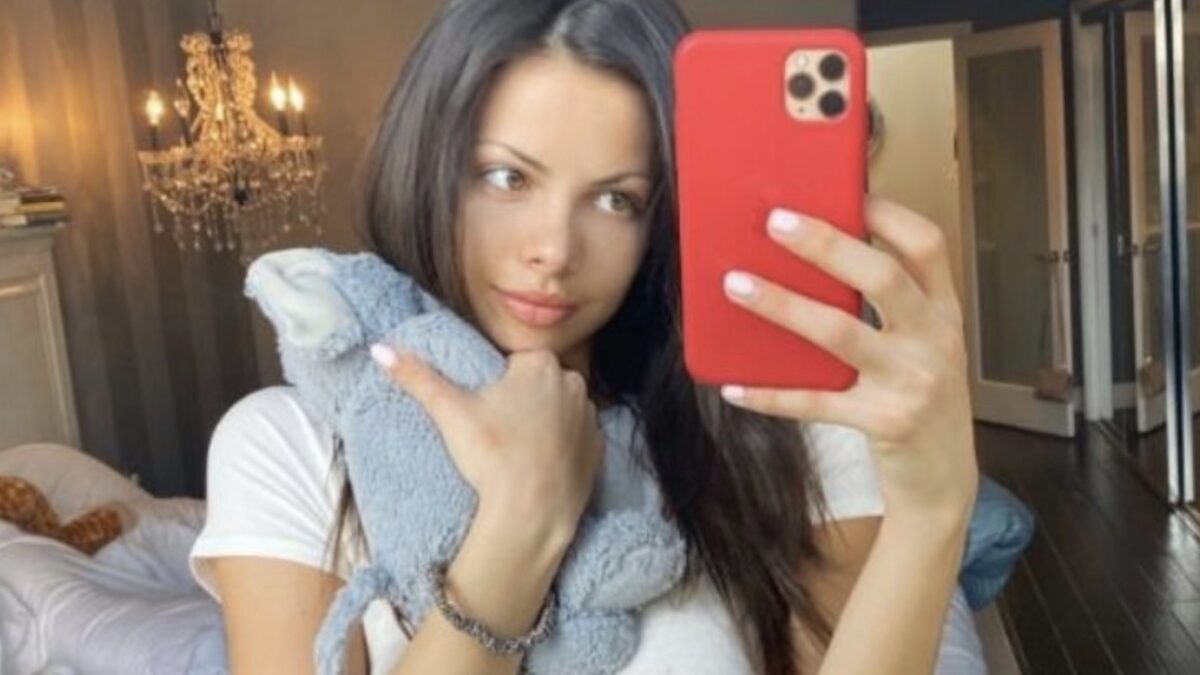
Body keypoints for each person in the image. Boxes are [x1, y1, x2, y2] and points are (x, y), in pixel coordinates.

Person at [188, 0, 981, 673]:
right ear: (429, 162)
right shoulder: (289, 446)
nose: (554, 250)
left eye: (616, 200)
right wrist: (519, 523)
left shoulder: (777, 429)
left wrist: (933, 509)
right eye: (507, 177)